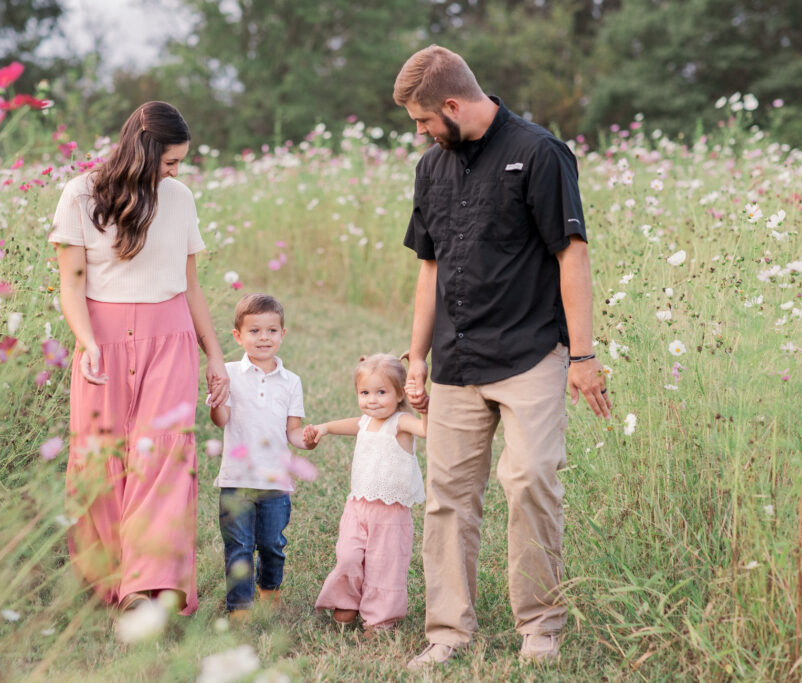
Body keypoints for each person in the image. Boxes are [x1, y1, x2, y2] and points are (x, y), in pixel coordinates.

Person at [392, 46, 612, 669]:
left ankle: (540, 626)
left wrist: (582, 355)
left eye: (425, 120)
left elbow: (572, 254)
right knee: (447, 497)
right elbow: (429, 268)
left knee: (531, 482)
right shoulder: (431, 169)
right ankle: (448, 631)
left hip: (530, 353)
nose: (422, 132)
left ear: (454, 105)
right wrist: (415, 358)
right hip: (456, 360)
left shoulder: (540, 152)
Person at [49, 100, 228, 615]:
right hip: (101, 335)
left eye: (180, 164)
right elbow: (73, 282)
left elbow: (190, 286)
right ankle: (110, 577)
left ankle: (149, 586)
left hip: (169, 334)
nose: (175, 173)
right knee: (102, 456)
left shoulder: (180, 199)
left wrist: (214, 355)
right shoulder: (80, 195)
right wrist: (85, 342)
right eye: (169, 162)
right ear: (141, 152)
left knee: (165, 455)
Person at [304, 354, 427, 633]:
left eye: (381, 392)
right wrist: (323, 429)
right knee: (348, 555)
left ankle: (380, 617)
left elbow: (426, 430)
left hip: (390, 511)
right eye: (365, 393)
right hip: (357, 506)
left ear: (399, 394)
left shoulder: (401, 422)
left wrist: (424, 407)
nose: (372, 400)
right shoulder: (364, 422)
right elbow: (341, 425)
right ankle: (347, 600)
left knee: (384, 565)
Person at [209, 293, 315, 619]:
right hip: (237, 478)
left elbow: (292, 432)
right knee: (238, 545)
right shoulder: (228, 372)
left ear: (283, 334)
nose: (263, 338)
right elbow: (221, 420)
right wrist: (217, 401)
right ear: (238, 336)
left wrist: (306, 440)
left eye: (271, 330)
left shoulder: (291, 382)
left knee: (271, 543)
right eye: (254, 331)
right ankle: (239, 606)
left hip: (274, 479)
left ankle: (269, 588)